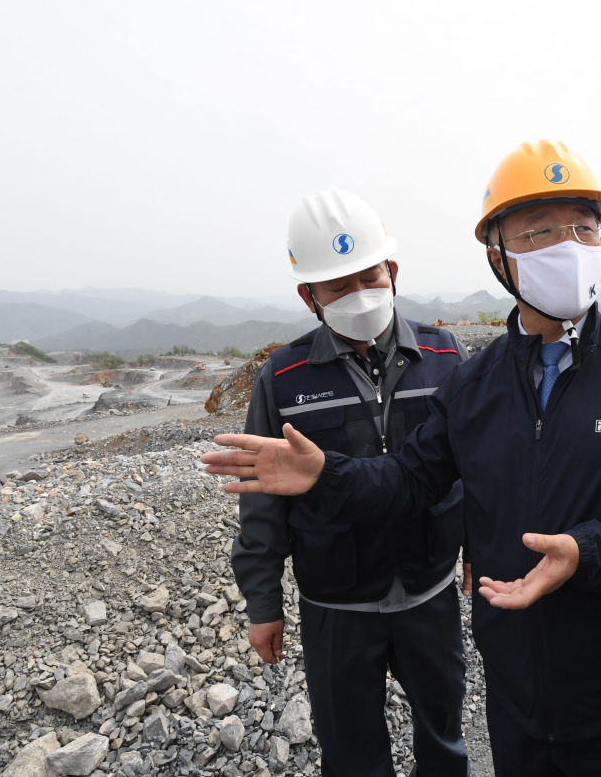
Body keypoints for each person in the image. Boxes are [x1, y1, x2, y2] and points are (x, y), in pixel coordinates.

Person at [203, 140, 601, 777]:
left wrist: (590, 551)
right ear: (497, 255)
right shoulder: (475, 385)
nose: (567, 246)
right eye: (538, 232)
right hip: (514, 680)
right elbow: (410, 480)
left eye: (583, 228)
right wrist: (326, 476)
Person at [231, 188, 470, 777]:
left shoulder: (446, 358)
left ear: (392, 271)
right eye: (337, 285)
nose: (358, 294)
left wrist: (483, 550)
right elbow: (262, 504)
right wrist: (265, 604)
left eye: (368, 275)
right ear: (308, 295)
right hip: (335, 604)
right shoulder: (282, 379)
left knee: (443, 738)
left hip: (430, 591)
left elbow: (476, 471)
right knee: (350, 752)